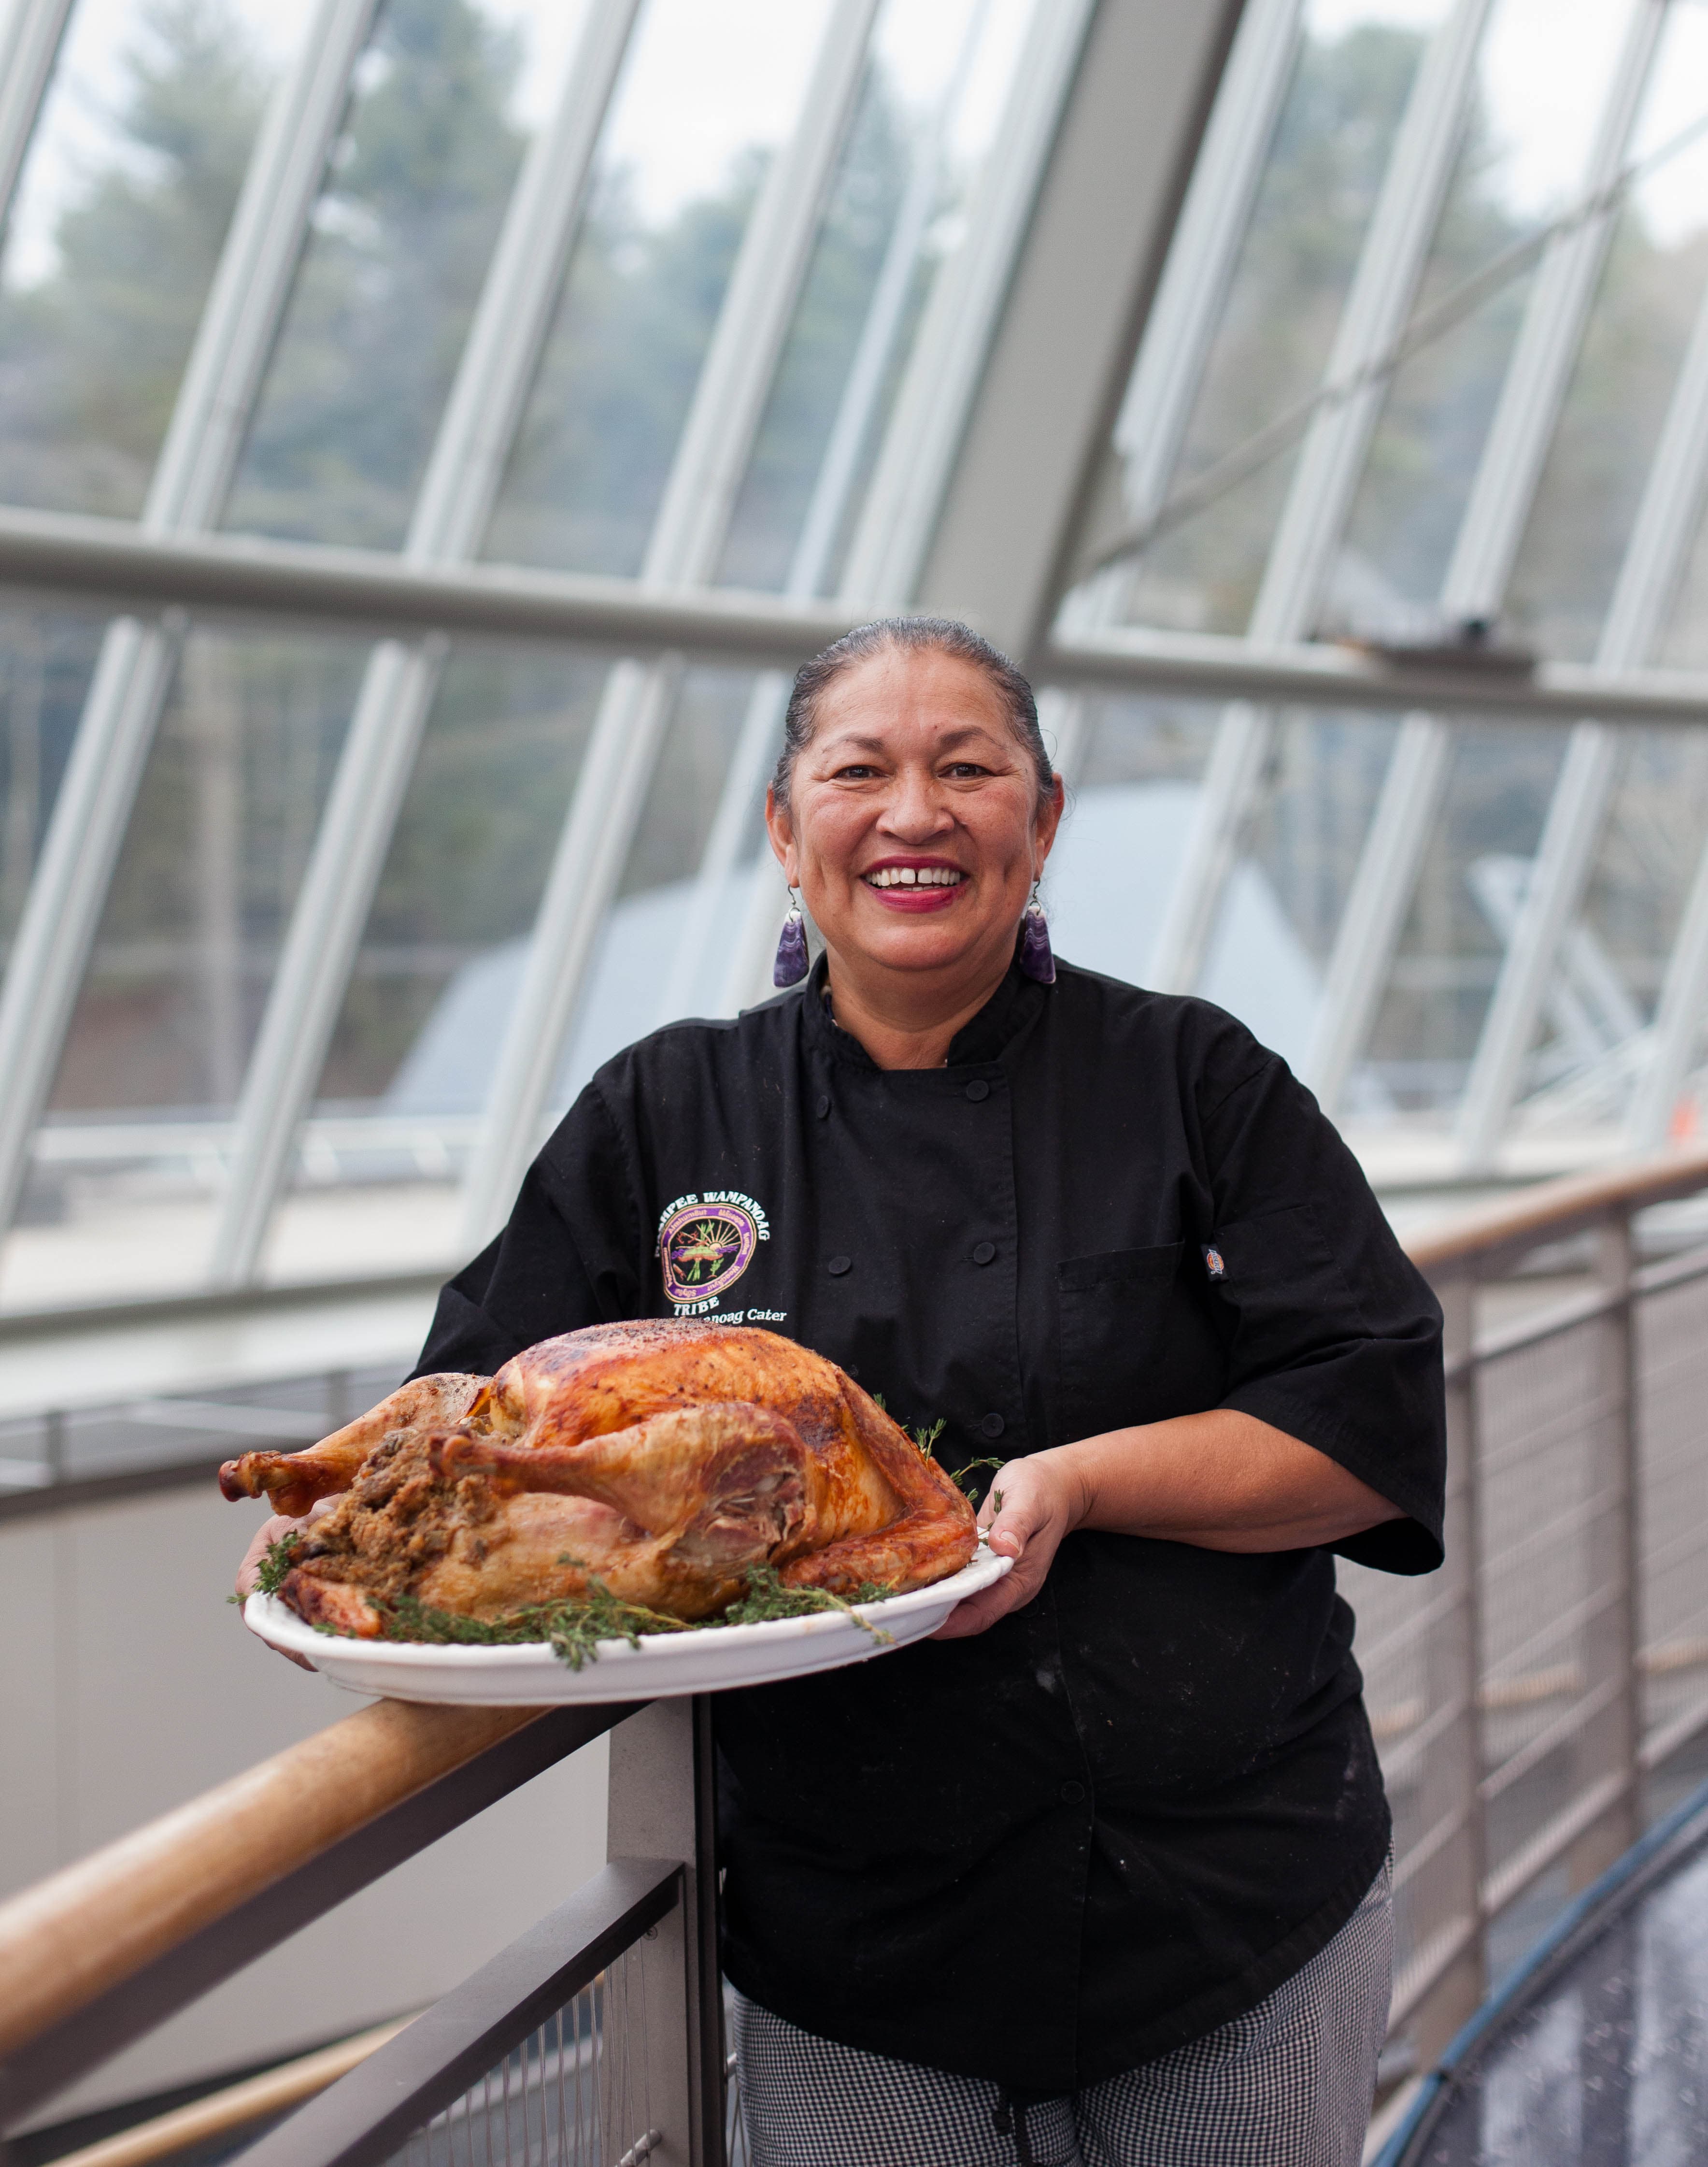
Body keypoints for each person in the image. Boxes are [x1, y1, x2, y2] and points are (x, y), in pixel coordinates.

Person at [243, 617, 1445, 2167]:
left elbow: (1367, 1420)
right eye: (860, 771)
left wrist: (1083, 1483)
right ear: (783, 829)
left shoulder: (1194, 1081)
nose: (914, 814)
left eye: (969, 770)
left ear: (1045, 821)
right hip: (855, 1941)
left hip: (1225, 1906)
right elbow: (468, 1421)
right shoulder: (666, 1112)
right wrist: (343, 1537)